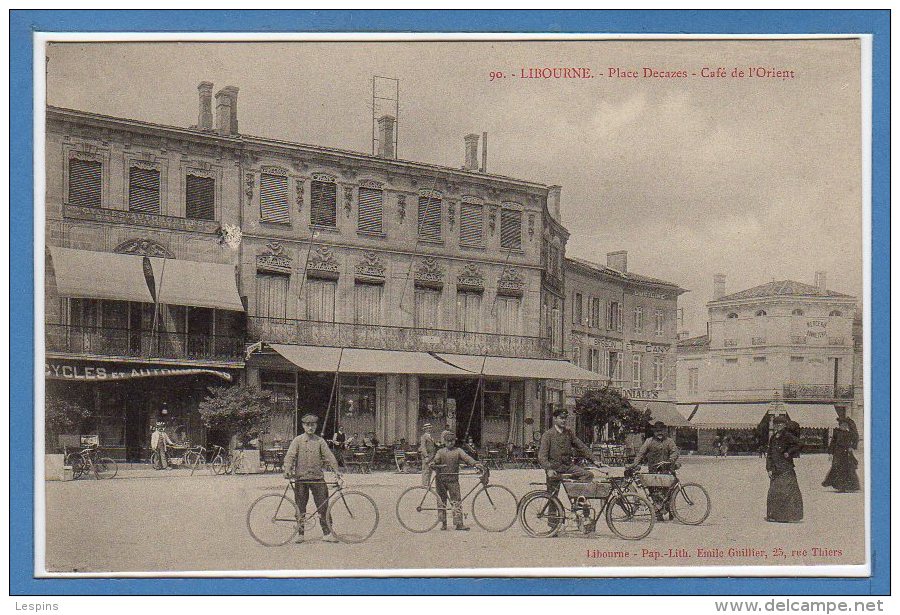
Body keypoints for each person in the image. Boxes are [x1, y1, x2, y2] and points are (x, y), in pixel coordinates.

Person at [283, 413, 342, 543]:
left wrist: (336, 470)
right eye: (307, 425)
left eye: (313, 425)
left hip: (317, 478)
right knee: (300, 507)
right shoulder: (297, 440)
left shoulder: (320, 441)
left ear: (316, 426)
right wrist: (287, 469)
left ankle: (327, 533)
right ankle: (300, 534)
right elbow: (290, 456)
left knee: (323, 506)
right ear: (303, 426)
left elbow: (329, 456)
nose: (310, 428)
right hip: (301, 478)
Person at [430, 430, 484, 531]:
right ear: (444, 442)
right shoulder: (440, 452)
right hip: (440, 480)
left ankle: (459, 524)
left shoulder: (458, 451)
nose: (450, 443)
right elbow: (436, 460)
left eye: (452, 441)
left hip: (453, 480)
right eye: (448, 441)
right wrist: (433, 463)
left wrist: (475, 463)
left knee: (456, 501)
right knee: (441, 502)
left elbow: (466, 458)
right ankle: (443, 523)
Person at [538, 408, 596, 497]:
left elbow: (581, 446)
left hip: (568, 467)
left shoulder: (569, 433)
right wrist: (549, 469)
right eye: (561, 418)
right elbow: (542, 456)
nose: (564, 420)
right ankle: (554, 510)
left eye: (565, 418)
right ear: (555, 419)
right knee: (553, 499)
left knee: (588, 475)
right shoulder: (548, 435)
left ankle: (578, 500)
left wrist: (594, 459)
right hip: (554, 469)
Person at [629, 421, 680, 520]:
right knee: (654, 491)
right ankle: (658, 512)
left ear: (665, 431)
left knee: (669, 491)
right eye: (657, 431)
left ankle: (670, 510)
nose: (659, 433)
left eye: (661, 431)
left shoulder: (669, 441)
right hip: (653, 470)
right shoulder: (649, 441)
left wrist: (670, 461)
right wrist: (635, 464)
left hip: (667, 470)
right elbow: (641, 453)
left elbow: (675, 452)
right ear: (654, 432)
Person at [766, 415, 803, 522]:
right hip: (775, 469)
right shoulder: (773, 437)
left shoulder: (787, 436)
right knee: (774, 492)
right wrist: (769, 468)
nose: (778, 426)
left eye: (780, 424)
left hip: (786, 468)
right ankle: (775, 515)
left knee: (788, 492)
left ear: (784, 425)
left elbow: (800, 443)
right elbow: (769, 454)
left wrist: (789, 452)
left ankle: (790, 516)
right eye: (776, 424)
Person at [822, 416, 860, 493]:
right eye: (842, 425)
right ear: (840, 425)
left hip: (846, 454)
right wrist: (830, 453)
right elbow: (833, 443)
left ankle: (847, 486)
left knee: (847, 469)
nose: (844, 427)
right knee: (837, 468)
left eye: (845, 425)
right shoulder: (837, 433)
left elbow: (856, 437)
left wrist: (852, 447)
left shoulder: (850, 433)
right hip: (838, 453)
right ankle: (840, 487)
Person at [419, 423, 438, 487]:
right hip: (427, 456)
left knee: (430, 470)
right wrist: (426, 456)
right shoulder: (424, 436)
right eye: (427, 428)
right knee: (425, 469)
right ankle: (425, 484)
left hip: (432, 455)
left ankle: (428, 483)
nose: (429, 429)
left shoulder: (431, 436)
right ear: (425, 429)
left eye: (430, 428)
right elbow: (423, 447)